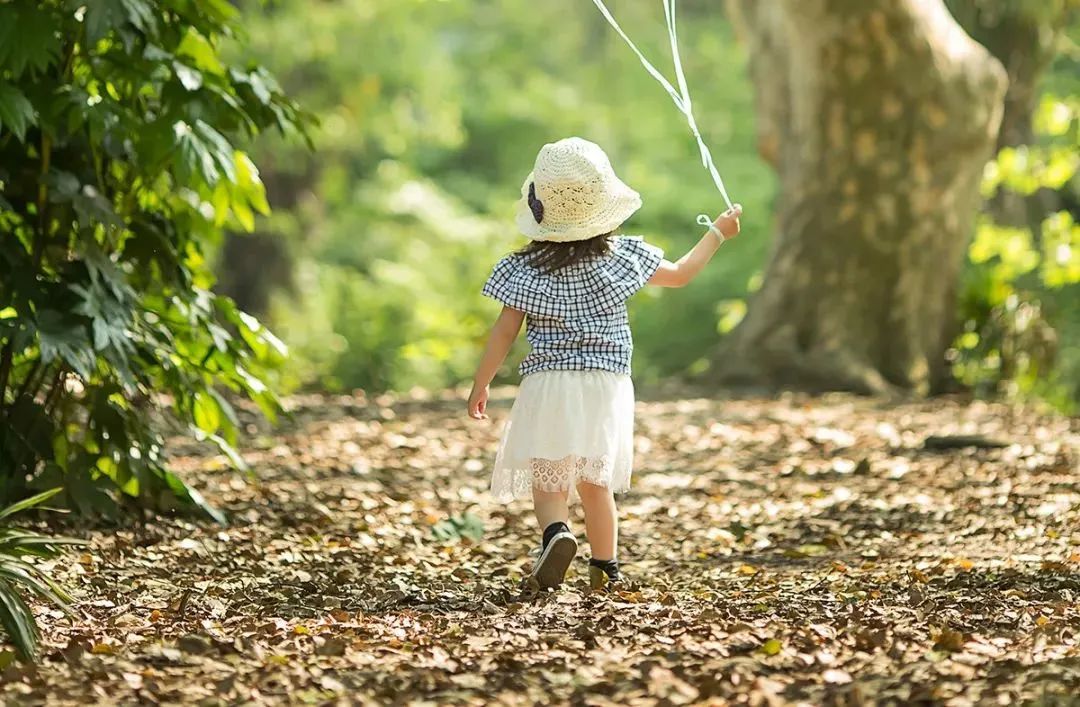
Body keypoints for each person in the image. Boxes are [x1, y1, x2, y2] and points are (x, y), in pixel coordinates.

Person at [467, 137, 741, 591]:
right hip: (605, 384)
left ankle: (556, 534)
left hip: (549, 382)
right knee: (596, 481)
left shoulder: (525, 267)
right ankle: (605, 568)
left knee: (550, 476)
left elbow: (504, 332)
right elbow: (680, 274)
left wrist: (481, 383)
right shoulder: (622, 256)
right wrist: (715, 232)